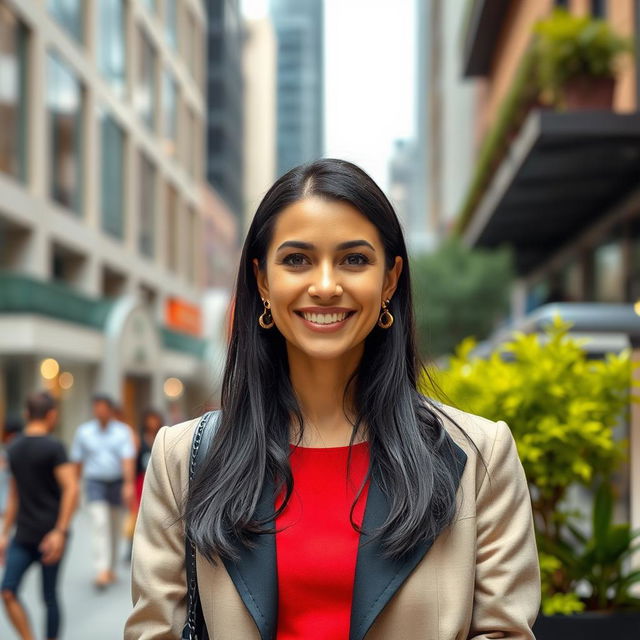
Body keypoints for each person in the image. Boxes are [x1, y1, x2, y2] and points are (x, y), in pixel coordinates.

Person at [126, 159, 540, 639]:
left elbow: (504, 632)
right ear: (262, 281)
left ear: (389, 279)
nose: (325, 286)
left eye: (354, 259)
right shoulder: (182, 458)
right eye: (297, 260)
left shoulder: (480, 456)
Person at [0, 391, 79, 640]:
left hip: (34, 534)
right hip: (41, 534)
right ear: (52, 415)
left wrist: (3, 533)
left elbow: (13, 496)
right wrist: (61, 531)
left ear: (26, 414)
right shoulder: (54, 446)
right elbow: (72, 488)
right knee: (47, 596)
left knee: (8, 592)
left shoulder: (13, 446)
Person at [70, 394, 135, 589]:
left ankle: (111, 567)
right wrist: (73, 486)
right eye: (96, 407)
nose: (99, 411)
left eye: (102, 407)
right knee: (100, 523)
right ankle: (101, 570)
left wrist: (128, 484)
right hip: (94, 482)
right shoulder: (84, 432)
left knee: (115, 526)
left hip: (116, 482)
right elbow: (77, 460)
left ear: (110, 409)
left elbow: (127, 459)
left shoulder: (122, 432)